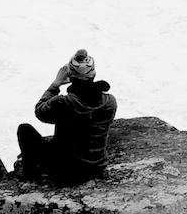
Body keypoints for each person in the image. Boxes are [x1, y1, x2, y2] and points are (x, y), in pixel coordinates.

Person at [16, 49, 117, 185]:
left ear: (70, 77)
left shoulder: (63, 103)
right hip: (96, 167)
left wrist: (55, 84)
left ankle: (29, 172)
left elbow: (40, 111)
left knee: (24, 130)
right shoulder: (109, 102)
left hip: (66, 172)